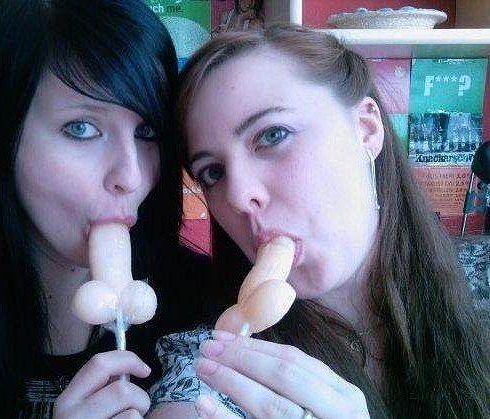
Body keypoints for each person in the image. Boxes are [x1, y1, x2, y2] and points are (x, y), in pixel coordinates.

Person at [147, 25, 490, 418]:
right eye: (213, 172)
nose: (238, 196)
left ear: (366, 129)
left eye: (272, 135)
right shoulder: (213, 362)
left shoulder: (481, 284)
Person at [0, 0, 211, 418]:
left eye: (147, 130)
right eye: (81, 128)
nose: (132, 176)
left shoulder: (202, 306)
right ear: (1, 136)